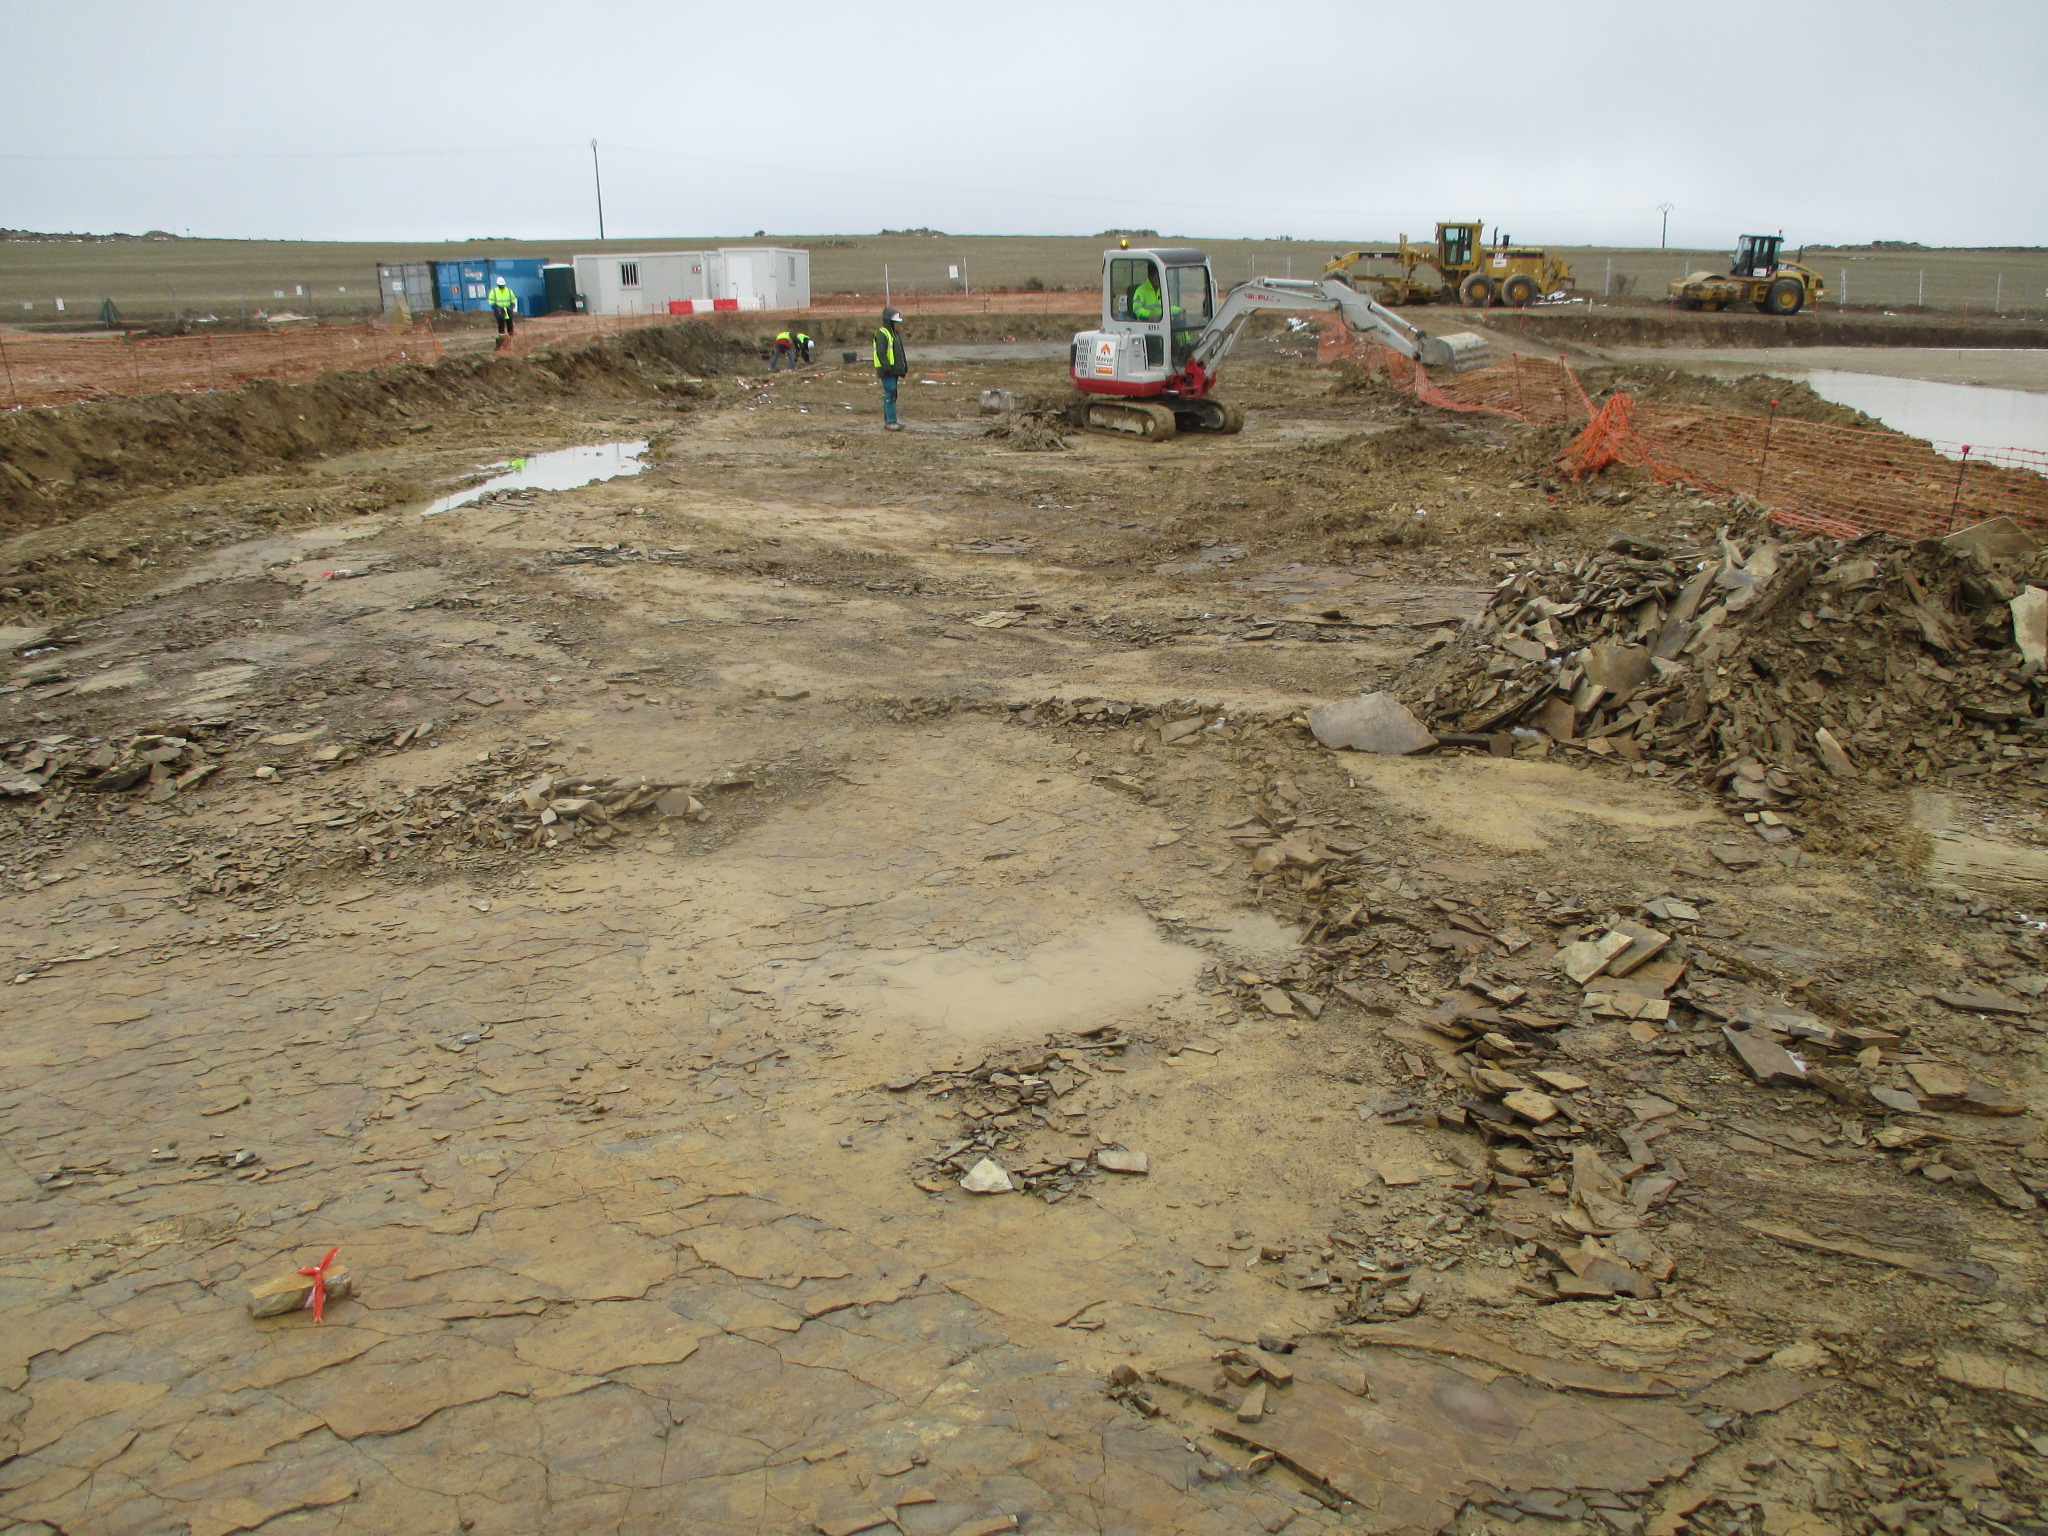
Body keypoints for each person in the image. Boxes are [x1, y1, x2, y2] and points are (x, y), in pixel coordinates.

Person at [872, 308, 907, 431]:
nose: (898, 325)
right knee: (890, 395)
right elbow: (881, 353)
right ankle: (891, 422)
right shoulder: (883, 334)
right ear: (890, 322)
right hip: (888, 371)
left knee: (892, 394)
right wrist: (887, 368)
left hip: (893, 371)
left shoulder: (893, 334)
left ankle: (890, 421)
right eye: (896, 322)